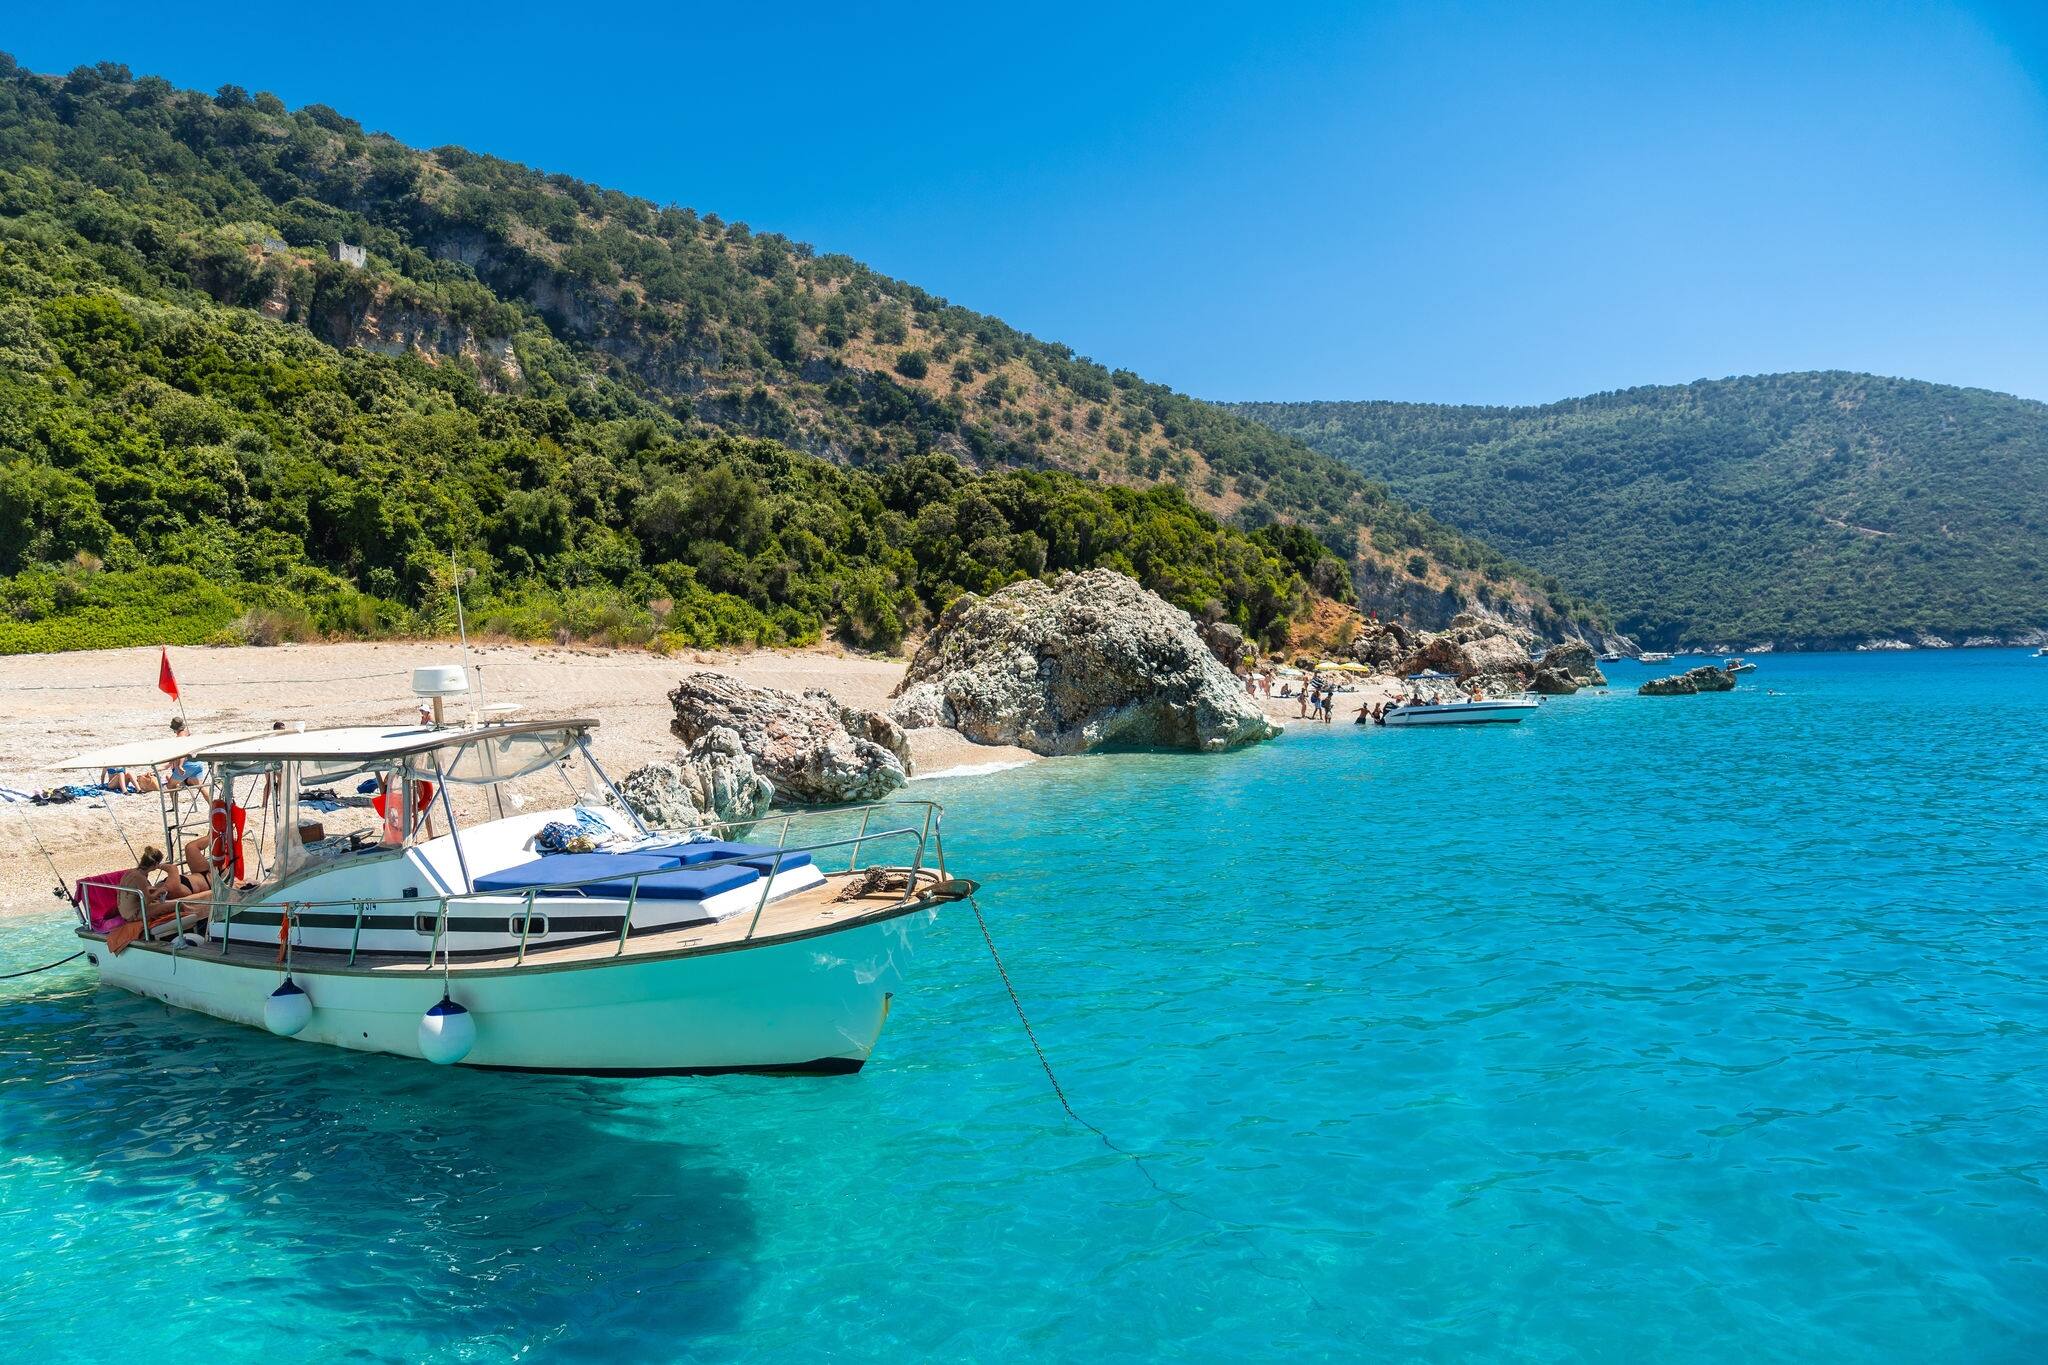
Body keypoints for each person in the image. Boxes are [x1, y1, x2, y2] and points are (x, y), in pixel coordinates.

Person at [114, 847, 168, 922]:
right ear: (156, 864)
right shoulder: (140, 877)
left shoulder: (130, 872)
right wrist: (159, 891)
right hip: (134, 914)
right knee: (175, 905)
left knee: (163, 900)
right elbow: (147, 900)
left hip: (124, 912)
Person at [166, 716, 207, 788]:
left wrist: (180, 765)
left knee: (170, 786)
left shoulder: (180, 739)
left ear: (174, 729)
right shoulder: (188, 734)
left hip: (187, 766)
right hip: (198, 763)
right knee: (201, 787)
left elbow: (183, 752)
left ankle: (174, 799)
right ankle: (210, 799)